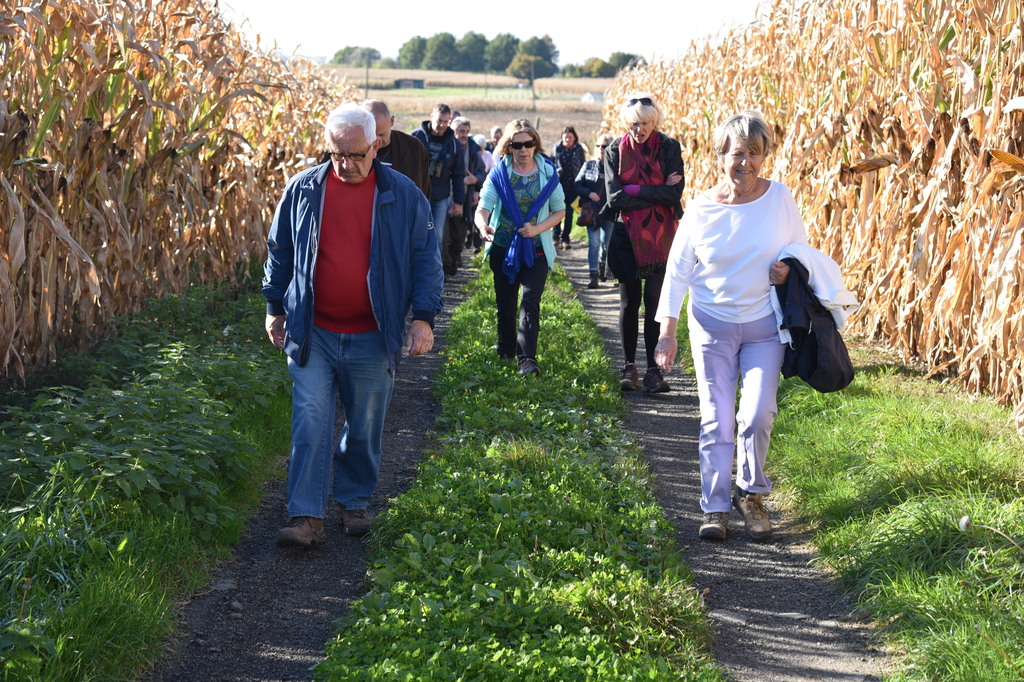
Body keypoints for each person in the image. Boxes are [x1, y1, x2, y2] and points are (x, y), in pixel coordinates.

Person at [263, 103, 444, 546]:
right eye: (336, 155)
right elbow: (279, 250)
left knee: (364, 422)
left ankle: (353, 499)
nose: (345, 165)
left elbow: (426, 258)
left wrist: (422, 318)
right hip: (314, 331)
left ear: (376, 146)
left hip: (372, 333)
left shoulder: (402, 195)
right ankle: (307, 516)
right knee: (309, 417)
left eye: (356, 155)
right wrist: (274, 306)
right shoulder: (304, 189)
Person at [653, 110, 808, 542]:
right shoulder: (701, 210)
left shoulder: (781, 199)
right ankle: (716, 506)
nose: (746, 163)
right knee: (715, 420)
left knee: (758, 414)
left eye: (755, 154)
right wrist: (668, 332)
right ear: (720, 156)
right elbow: (678, 272)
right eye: (738, 153)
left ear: (765, 157)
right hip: (712, 326)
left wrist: (788, 271)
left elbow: (801, 252)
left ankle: (752, 495)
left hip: (763, 325)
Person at [604, 93, 684, 394]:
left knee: (654, 303)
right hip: (626, 235)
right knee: (629, 302)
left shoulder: (669, 147)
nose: (640, 130)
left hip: (661, 237)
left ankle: (653, 371)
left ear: (656, 122)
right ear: (628, 123)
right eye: (635, 124)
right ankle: (628, 367)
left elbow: (674, 196)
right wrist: (657, 189)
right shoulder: (615, 149)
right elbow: (615, 197)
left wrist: (634, 188)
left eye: (647, 123)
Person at [474, 119, 565, 376]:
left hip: (535, 248)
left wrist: (537, 229)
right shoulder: (500, 173)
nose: (523, 149)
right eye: (517, 144)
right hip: (503, 247)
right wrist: (483, 226)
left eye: (528, 144)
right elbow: (484, 206)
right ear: (509, 146)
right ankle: (506, 351)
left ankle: (527, 359)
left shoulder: (547, 173)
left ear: (535, 145)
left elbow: (560, 210)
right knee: (506, 303)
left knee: (530, 301)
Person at [412, 103, 466, 257]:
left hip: (439, 197)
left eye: (445, 122)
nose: (441, 125)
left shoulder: (454, 145)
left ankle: (435, 275)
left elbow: (458, 174)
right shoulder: (415, 137)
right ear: (431, 118)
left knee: (437, 236)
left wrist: (458, 201)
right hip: (416, 195)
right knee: (414, 234)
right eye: (439, 120)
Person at [361, 99, 430, 197]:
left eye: (381, 134)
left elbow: (424, 190)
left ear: (392, 121)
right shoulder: (354, 148)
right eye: (372, 135)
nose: (377, 141)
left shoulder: (413, 148)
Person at [446, 116, 486, 275]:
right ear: (453, 130)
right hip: (444, 196)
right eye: (461, 131)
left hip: (464, 199)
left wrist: (474, 180)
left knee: (458, 238)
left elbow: (483, 173)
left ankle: (454, 261)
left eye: (467, 131)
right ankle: (444, 269)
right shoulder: (447, 145)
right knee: (442, 238)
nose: (464, 135)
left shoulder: (474, 151)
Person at [574, 133, 615, 289]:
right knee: (594, 243)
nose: (600, 149)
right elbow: (577, 184)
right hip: (592, 212)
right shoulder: (588, 165)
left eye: (604, 146)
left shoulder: (615, 167)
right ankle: (593, 275)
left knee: (606, 244)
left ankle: (603, 269)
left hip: (609, 212)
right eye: (598, 146)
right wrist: (588, 193)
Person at [551, 125, 586, 249]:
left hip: (573, 185)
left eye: (570, 137)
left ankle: (566, 238)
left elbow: (583, 165)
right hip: (558, 184)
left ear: (574, 138)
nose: (567, 139)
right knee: (557, 211)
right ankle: (555, 236)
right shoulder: (556, 148)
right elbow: (551, 164)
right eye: (565, 137)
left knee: (569, 213)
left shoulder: (578, 149)